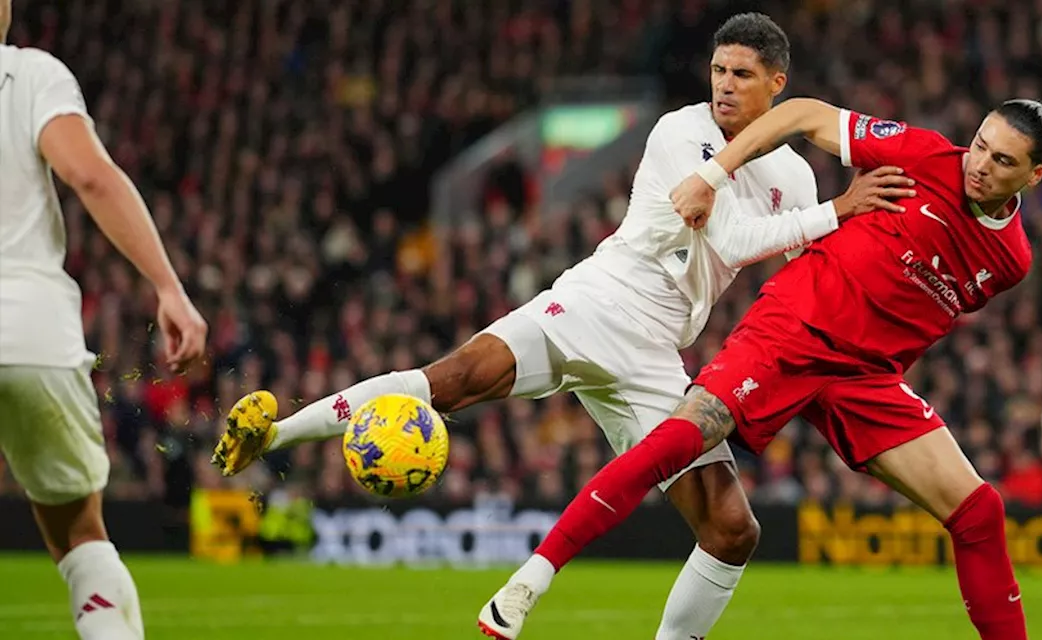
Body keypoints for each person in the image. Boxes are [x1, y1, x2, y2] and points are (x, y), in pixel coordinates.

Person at [210, 13, 914, 640]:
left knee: (732, 530)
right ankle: (275, 434)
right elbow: (729, 241)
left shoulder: (793, 175)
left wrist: (873, 239)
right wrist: (840, 210)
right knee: (451, 381)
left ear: (777, 85)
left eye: (743, 74)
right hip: (594, 303)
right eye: (718, 70)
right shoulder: (683, 130)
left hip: (657, 356)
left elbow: (804, 262)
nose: (725, 85)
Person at [481, 95, 1042, 640]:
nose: (980, 165)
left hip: (865, 376)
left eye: (1002, 160)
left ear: (1033, 176)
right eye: (979, 145)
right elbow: (803, 114)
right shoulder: (921, 154)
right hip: (794, 327)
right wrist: (712, 176)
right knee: (686, 435)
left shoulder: (1012, 260)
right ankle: (531, 579)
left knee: (979, 511)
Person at [0, 2, 209, 637]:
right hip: (28, 328)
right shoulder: (29, 75)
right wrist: (167, 286)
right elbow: (90, 175)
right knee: (79, 534)